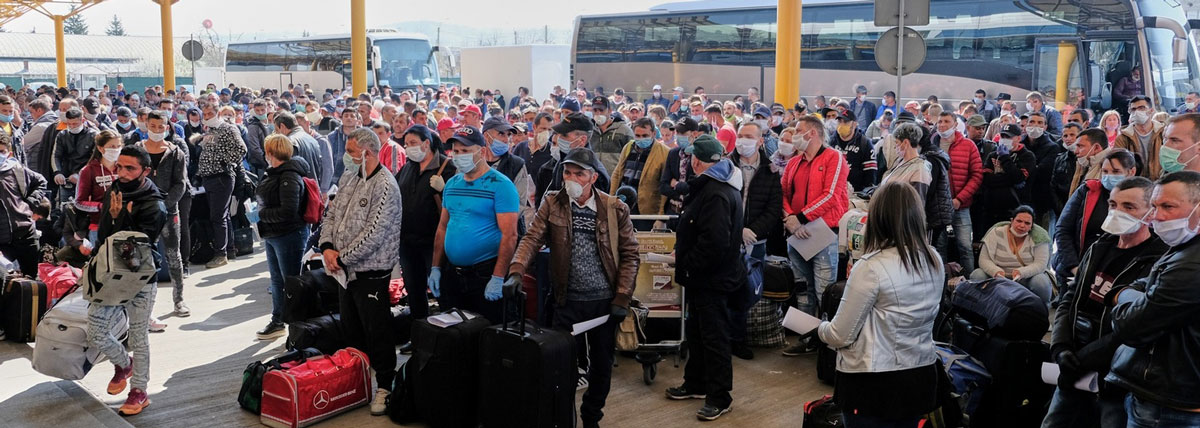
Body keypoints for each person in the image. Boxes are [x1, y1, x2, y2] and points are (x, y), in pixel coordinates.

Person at [507, 148, 639, 428]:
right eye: (568, 172)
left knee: (602, 366)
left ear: (592, 177)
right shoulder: (553, 202)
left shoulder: (615, 208)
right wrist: (517, 270)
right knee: (561, 366)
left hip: (604, 304)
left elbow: (630, 255)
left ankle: (592, 417)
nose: (572, 178)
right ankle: (562, 418)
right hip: (566, 301)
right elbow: (532, 238)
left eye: (579, 173)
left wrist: (623, 296)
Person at [811, 181, 943, 428]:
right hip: (921, 373)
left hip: (874, 382)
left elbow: (840, 334)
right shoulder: (933, 258)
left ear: (877, 217)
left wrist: (819, 328)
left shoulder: (871, 266)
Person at [1043, 176, 1165, 428]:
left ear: (1150, 213)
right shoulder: (1099, 246)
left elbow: (1140, 323)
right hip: (1073, 361)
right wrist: (1061, 347)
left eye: (1129, 207)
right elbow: (1071, 298)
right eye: (1112, 204)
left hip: (1115, 372)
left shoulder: (1157, 260)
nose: (1117, 212)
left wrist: (1089, 357)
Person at [1105, 170, 1200, 427]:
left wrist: (1120, 295)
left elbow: (1133, 327)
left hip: (1171, 403)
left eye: (1168, 206)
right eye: (1155, 206)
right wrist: (1136, 293)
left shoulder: (1192, 264)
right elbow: (1144, 285)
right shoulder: (1184, 247)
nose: (1156, 216)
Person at [318, 127, 402, 416]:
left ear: (368, 152)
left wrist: (343, 258)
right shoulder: (349, 177)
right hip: (344, 272)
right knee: (352, 330)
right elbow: (332, 214)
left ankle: (385, 385)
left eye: (352, 152)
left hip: (370, 271)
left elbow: (375, 232)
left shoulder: (386, 185)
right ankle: (358, 381)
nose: (347, 157)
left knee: (377, 331)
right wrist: (327, 246)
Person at [664, 134, 745, 421]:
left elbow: (714, 243)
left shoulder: (717, 193)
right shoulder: (710, 187)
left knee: (714, 338)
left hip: (712, 280)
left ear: (697, 160)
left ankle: (720, 396)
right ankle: (696, 383)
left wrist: (687, 263)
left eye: (690, 157)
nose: (687, 161)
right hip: (702, 278)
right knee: (697, 333)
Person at [88, 146, 168, 416]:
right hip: (110, 274)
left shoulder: (155, 204)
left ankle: (139, 390)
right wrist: (115, 217)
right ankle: (124, 364)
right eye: (118, 166)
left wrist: (121, 218)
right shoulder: (115, 190)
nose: (121, 173)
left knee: (138, 335)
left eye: (129, 168)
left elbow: (137, 247)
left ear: (146, 171)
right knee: (96, 330)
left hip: (141, 277)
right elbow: (104, 237)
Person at [428, 125, 520, 324]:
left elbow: (510, 235)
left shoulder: (501, 185)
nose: (460, 156)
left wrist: (498, 276)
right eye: (457, 151)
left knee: (485, 333)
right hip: (453, 273)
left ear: (482, 151)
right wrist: (436, 267)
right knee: (454, 333)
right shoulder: (452, 184)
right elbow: (443, 227)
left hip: (484, 274)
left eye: (466, 151)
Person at [781, 115, 850, 355]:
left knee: (824, 290)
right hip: (796, 233)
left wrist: (800, 217)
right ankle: (807, 338)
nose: (794, 134)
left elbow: (831, 195)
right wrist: (791, 219)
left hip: (823, 233)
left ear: (812, 133)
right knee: (802, 288)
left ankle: (828, 341)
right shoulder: (793, 163)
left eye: (799, 130)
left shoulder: (835, 158)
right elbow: (784, 194)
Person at [730, 120, 782, 360]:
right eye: (740, 135)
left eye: (749, 136)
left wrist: (752, 231)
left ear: (761, 141)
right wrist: (737, 230)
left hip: (756, 243)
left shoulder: (770, 171)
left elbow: (773, 210)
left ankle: (740, 339)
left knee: (746, 291)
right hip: (728, 238)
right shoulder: (725, 165)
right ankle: (724, 338)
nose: (743, 140)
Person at [394, 125, 455, 323]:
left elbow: (457, 205)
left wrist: (444, 189)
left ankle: (448, 334)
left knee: (441, 290)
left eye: (413, 143)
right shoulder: (408, 167)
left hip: (434, 242)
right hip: (408, 241)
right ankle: (419, 335)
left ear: (426, 143)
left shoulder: (448, 168)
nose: (409, 148)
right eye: (406, 144)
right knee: (413, 289)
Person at [254, 134, 311, 340]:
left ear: (271, 152)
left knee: (291, 281)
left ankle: (296, 324)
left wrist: (260, 214)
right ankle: (278, 320)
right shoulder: (274, 173)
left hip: (288, 234)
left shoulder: (289, 176)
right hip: (274, 233)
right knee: (278, 280)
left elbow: (288, 211)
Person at [133, 111, 190, 317]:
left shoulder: (176, 153)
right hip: (142, 212)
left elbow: (180, 184)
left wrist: (164, 205)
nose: (157, 130)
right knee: (142, 257)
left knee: (174, 256)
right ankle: (143, 305)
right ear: (146, 125)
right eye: (153, 126)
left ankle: (179, 300)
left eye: (161, 127)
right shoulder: (137, 151)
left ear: (167, 127)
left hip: (168, 211)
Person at [195, 100, 247, 269]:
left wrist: (224, 162)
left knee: (217, 217)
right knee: (222, 216)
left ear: (217, 113)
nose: (207, 117)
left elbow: (241, 149)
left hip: (221, 177)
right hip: (208, 178)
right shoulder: (210, 130)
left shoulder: (228, 128)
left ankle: (221, 254)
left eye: (210, 114)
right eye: (205, 114)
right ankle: (229, 248)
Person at [972, 205, 1053, 307]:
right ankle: (979, 311)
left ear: (1032, 226)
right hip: (997, 278)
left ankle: (1043, 313)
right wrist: (995, 272)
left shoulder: (1040, 238)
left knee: (1041, 282)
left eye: (1027, 223)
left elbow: (1041, 265)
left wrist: (1022, 272)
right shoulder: (996, 232)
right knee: (977, 274)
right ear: (1012, 221)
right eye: (1018, 221)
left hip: (1025, 279)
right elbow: (983, 260)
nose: (1022, 225)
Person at [933, 112, 984, 273]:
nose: (942, 124)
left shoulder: (968, 145)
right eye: (940, 121)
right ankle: (941, 283)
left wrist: (960, 199)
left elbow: (976, 175)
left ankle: (969, 285)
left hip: (961, 206)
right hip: (937, 207)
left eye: (946, 121)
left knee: (965, 247)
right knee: (938, 247)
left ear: (955, 124)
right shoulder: (931, 145)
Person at [0, 130, 46, 276]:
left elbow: (41, 182)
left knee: (32, 281)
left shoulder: (17, 170)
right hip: (2, 241)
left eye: (2, 151)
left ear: (9, 153)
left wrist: (29, 205)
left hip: (25, 234)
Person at [611, 117, 669, 225]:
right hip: (624, 203)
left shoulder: (664, 153)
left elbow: (665, 187)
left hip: (647, 209)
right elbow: (617, 174)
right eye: (637, 136)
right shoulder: (628, 147)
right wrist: (611, 200)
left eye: (645, 136)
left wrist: (661, 216)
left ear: (653, 133)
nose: (641, 139)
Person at [74, 130, 124, 240]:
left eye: (118, 146)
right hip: (98, 225)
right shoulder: (88, 170)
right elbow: (79, 202)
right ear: (101, 148)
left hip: (123, 225)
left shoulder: (124, 168)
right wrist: (102, 206)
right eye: (112, 146)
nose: (116, 149)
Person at [53, 107, 98, 205]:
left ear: (82, 120)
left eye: (75, 124)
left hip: (86, 179)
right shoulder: (62, 135)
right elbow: (56, 156)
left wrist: (80, 174)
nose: (72, 127)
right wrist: (58, 172)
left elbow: (95, 159)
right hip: (66, 179)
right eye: (69, 124)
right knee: (64, 208)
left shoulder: (93, 135)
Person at [274, 111, 327, 193]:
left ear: (282, 126)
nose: (276, 134)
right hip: (313, 190)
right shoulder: (311, 139)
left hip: (298, 193)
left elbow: (288, 174)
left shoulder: (289, 142)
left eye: (277, 130)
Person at [1113, 96, 1164, 179]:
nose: (1137, 111)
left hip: (1160, 182)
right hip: (1135, 184)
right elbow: (1118, 164)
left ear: (1151, 110)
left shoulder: (1163, 133)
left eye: (1141, 108)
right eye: (1133, 109)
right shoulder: (1123, 138)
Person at [830, 110, 876, 192]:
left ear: (854, 124)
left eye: (846, 122)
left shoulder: (865, 143)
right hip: (833, 191)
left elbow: (870, 174)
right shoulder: (831, 142)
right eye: (840, 121)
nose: (842, 125)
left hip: (857, 193)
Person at [588, 96, 634, 175]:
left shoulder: (624, 130)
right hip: (593, 179)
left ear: (609, 111)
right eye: (595, 110)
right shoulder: (588, 130)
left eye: (601, 110)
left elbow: (632, 156)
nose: (598, 113)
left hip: (615, 178)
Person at [328, 106, 360, 184]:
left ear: (357, 120)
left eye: (352, 116)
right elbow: (328, 161)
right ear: (341, 119)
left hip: (358, 180)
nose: (349, 118)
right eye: (346, 116)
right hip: (336, 181)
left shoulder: (364, 136)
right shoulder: (332, 137)